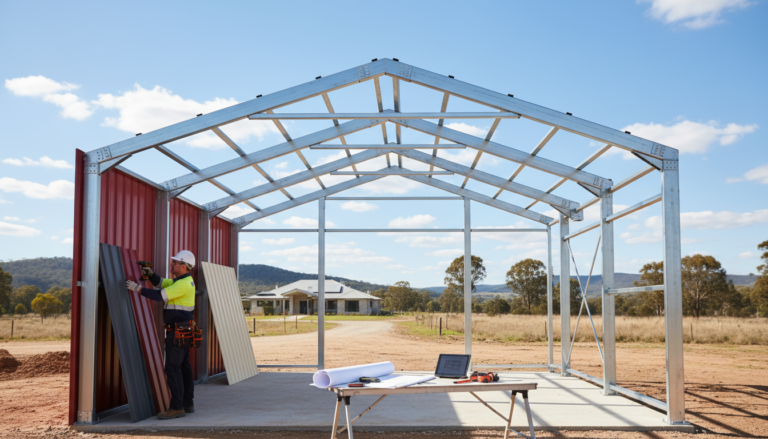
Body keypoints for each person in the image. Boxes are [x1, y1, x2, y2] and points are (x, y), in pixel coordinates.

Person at [126, 250, 196, 420]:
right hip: (184, 329)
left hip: (178, 331)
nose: (171, 265)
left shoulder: (183, 284)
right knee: (184, 367)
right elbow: (162, 283)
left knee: (172, 368)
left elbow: (159, 296)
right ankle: (188, 403)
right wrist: (151, 275)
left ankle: (177, 407)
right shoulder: (181, 281)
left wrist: (138, 288)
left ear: (184, 265)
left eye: (174, 263)